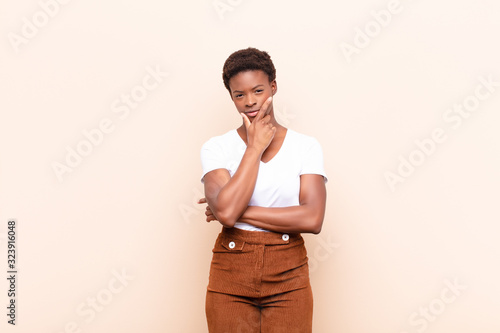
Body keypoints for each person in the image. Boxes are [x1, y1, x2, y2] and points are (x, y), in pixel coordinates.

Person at [198, 47, 327, 333]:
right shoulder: (216, 147)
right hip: (230, 271)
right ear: (231, 97)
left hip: (288, 272)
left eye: (257, 90)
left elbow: (312, 219)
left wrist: (231, 211)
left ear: (273, 86)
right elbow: (228, 214)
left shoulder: (305, 147)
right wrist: (255, 146)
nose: (250, 101)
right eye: (239, 95)